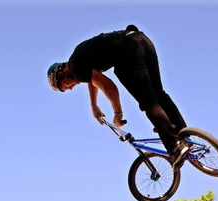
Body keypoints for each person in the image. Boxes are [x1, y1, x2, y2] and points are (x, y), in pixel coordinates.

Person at [47, 25, 189, 170]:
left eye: (65, 86)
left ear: (61, 74)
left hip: (129, 51)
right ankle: (185, 134)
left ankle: (174, 149)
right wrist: (94, 106)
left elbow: (109, 87)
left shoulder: (76, 69)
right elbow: (94, 81)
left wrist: (118, 114)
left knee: (149, 103)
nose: (70, 88)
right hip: (143, 40)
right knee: (159, 94)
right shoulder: (77, 61)